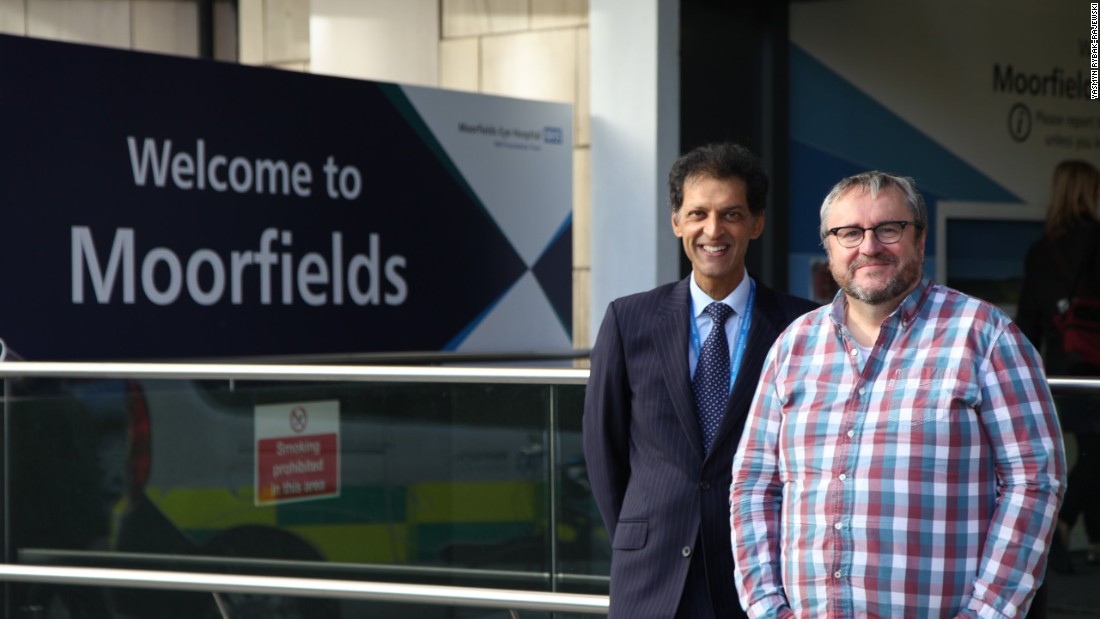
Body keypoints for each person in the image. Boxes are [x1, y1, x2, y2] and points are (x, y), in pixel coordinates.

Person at [730, 171, 1066, 619]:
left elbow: (1035, 483)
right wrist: (768, 609)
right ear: (829, 249)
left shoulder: (984, 336)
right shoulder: (793, 347)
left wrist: (987, 614)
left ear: (920, 241)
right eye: (849, 233)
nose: (869, 246)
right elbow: (753, 486)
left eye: (889, 229)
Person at [583, 142, 818, 618]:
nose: (714, 230)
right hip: (651, 573)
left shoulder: (802, 326)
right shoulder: (629, 320)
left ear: (756, 223)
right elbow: (602, 449)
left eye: (731, 214)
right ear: (677, 222)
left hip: (760, 576)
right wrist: (641, 535)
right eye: (698, 214)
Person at [1017, 159, 1100, 571]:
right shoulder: (1097, 240)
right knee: (1096, 453)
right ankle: (1063, 525)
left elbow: (1028, 319)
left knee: (1090, 450)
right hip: (1095, 362)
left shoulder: (1040, 250)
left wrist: (1024, 376)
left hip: (1063, 366)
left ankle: (1092, 538)